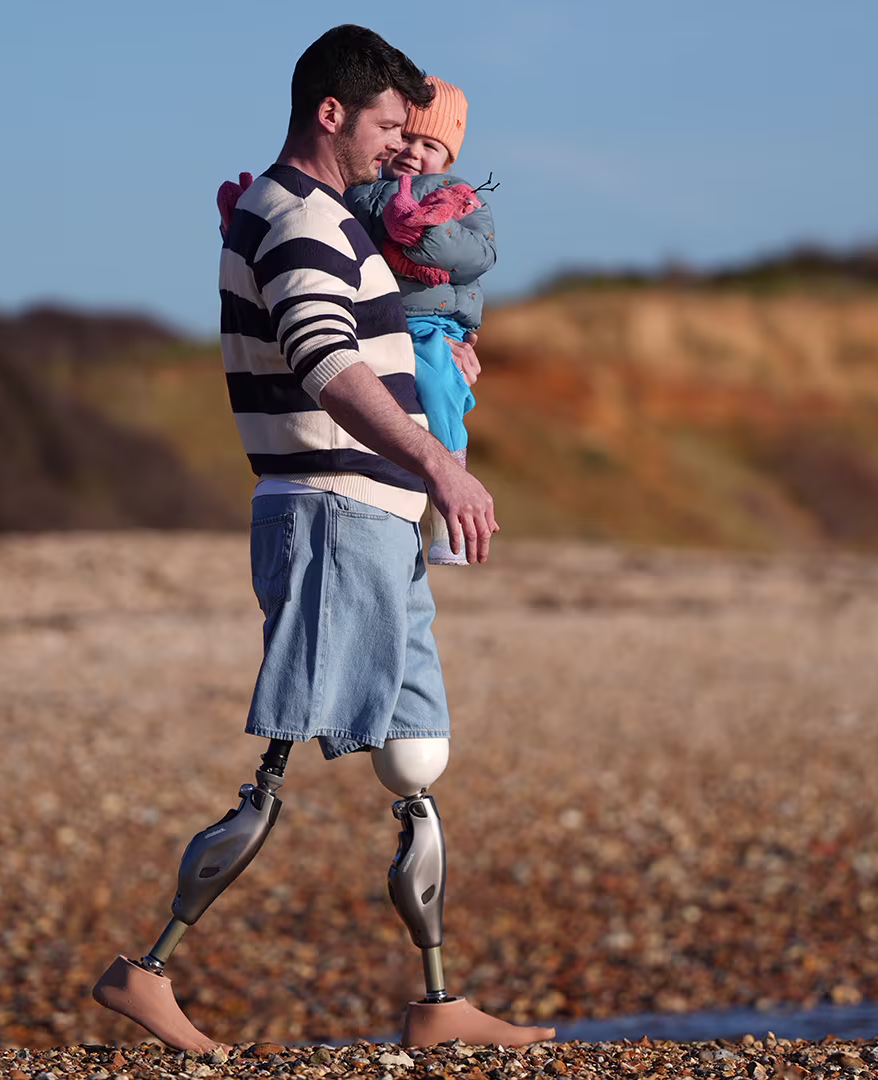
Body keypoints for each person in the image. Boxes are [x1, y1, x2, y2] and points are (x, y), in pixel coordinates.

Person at [89, 25, 554, 1052]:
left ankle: (438, 1002)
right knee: (282, 758)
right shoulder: (291, 215)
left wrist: (438, 377)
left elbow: (367, 346)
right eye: (391, 125)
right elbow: (317, 358)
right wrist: (438, 461)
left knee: (414, 766)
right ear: (332, 114)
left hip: (379, 516)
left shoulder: (332, 222)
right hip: (332, 511)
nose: (404, 145)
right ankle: (147, 971)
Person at [342, 77, 494, 566]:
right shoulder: (361, 190)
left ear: (447, 161)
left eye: (430, 145)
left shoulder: (453, 195)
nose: (412, 152)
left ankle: (450, 485)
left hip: (433, 321)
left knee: (436, 380)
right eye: (405, 136)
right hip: (386, 323)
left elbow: (477, 254)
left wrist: (422, 228)